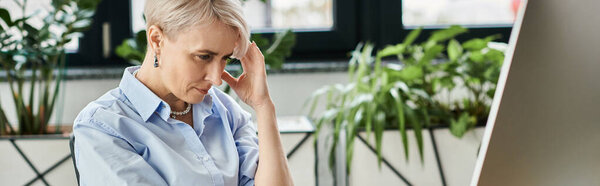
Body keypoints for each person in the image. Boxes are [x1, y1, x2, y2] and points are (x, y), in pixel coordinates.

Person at [72, 0, 293, 185]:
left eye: (225, 58)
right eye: (204, 56)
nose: (216, 79)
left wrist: (263, 106)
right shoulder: (103, 127)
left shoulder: (225, 111)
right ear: (157, 40)